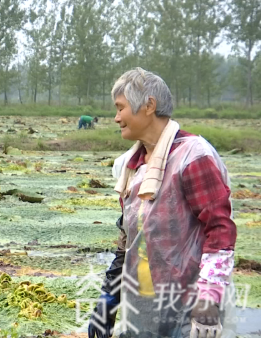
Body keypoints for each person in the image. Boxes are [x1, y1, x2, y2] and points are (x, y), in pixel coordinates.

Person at [88, 68, 237, 338]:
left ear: (149, 106)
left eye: (120, 108)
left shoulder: (192, 156)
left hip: (189, 307)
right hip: (144, 303)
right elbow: (129, 238)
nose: (116, 117)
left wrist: (209, 296)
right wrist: (109, 298)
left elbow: (219, 229)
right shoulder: (130, 167)